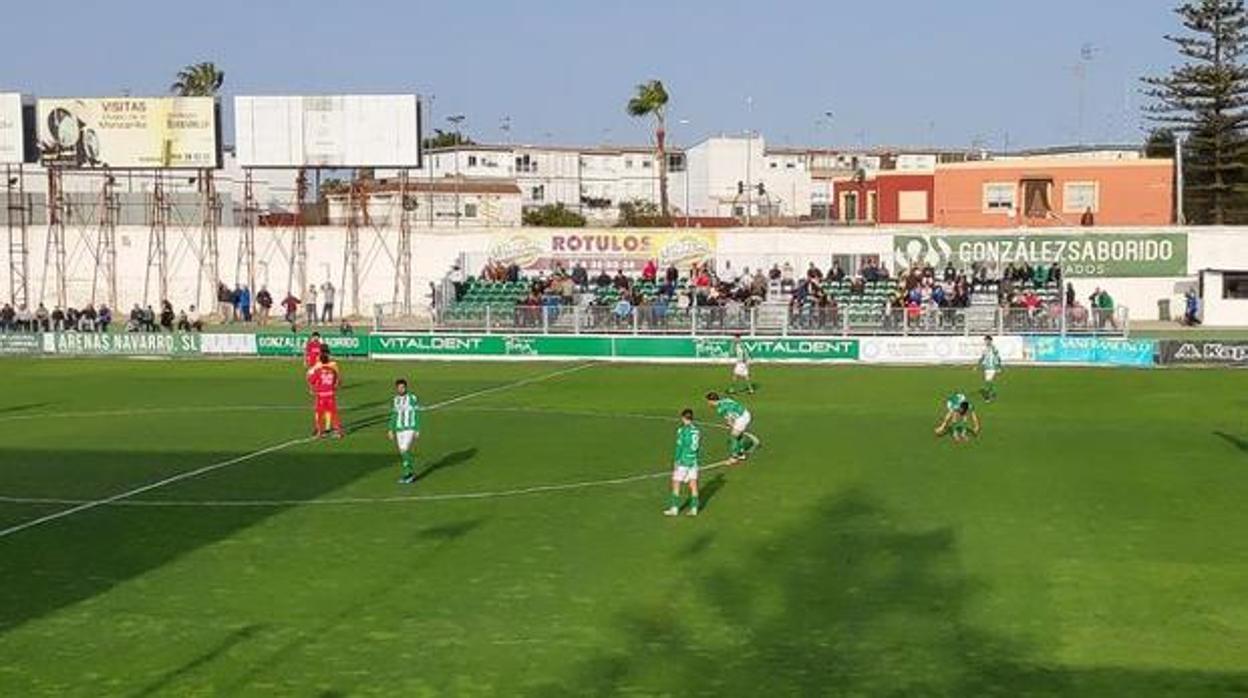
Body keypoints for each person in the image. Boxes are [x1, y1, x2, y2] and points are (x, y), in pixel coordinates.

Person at [664, 408, 702, 517]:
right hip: (693, 460)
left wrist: (676, 460)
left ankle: (674, 508)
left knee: (676, 483)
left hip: (683, 460)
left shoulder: (682, 430)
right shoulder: (696, 430)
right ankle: (694, 508)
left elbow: (679, 447)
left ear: (683, 418)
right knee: (693, 484)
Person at [387, 378, 422, 485]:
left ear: (406, 387)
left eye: (403, 387)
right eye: (399, 387)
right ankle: (409, 472)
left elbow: (417, 413)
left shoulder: (412, 398)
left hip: (409, 428)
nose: (401, 389)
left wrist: (417, 428)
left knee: (404, 449)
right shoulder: (395, 400)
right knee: (402, 452)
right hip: (399, 429)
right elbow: (394, 415)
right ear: (396, 388)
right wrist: (390, 429)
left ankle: (409, 473)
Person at [706, 391, 756, 464]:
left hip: (741, 417)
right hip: (744, 413)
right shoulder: (725, 400)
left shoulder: (721, 408)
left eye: (708, 401)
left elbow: (730, 418)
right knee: (739, 434)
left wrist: (731, 424)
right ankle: (741, 453)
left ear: (712, 401)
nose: (708, 403)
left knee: (734, 435)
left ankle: (734, 457)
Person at [306, 353, 343, 439]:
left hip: (321, 395)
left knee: (319, 413)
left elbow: (311, 380)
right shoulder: (332, 370)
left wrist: (313, 387)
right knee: (334, 413)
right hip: (330, 395)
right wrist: (333, 387)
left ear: (321, 361)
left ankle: (320, 432)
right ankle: (338, 432)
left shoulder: (318, 370)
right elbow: (337, 382)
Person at [978, 335, 1002, 402]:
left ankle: (988, 397)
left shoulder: (994, 348)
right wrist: (978, 365)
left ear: (990, 341)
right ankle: (993, 394)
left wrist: (999, 366)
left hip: (992, 367)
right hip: (986, 368)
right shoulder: (985, 349)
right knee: (989, 382)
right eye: (985, 340)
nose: (986, 342)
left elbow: (998, 357)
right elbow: (982, 357)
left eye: (987, 340)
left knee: (988, 382)